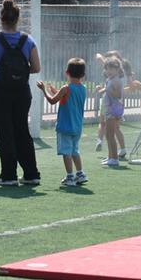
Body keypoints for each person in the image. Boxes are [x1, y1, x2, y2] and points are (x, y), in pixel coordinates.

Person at [0, 0, 42, 186]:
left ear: (1, 18)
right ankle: (31, 174)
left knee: (5, 132)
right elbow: (36, 68)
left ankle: (8, 175)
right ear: (18, 19)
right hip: (21, 91)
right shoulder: (28, 40)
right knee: (22, 130)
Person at [36, 58, 88, 187]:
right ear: (83, 74)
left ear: (67, 72)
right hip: (77, 126)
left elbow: (52, 101)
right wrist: (56, 92)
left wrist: (44, 89)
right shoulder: (83, 88)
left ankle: (70, 177)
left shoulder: (66, 88)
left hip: (65, 126)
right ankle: (80, 174)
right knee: (75, 151)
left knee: (66, 152)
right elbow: (68, 99)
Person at [93, 51, 129, 159]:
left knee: (111, 134)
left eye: (111, 69)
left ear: (117, 69)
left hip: (113, 109)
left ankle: (114, 158)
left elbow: (118, 95)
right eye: (107, 69)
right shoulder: (111, 79)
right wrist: (103, 89)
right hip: (109, 107)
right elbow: (109, 90)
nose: (108, 71)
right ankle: (111, 157)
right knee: (109, 134)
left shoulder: (117, 80)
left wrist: (106, 90)